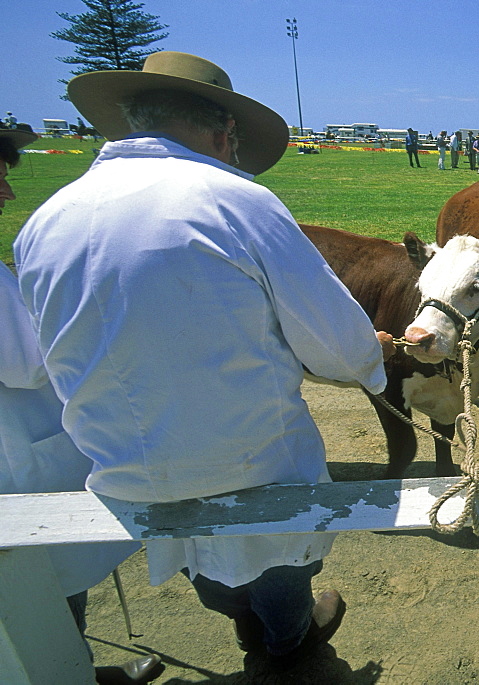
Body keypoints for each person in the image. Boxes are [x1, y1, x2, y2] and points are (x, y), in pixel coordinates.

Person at [14, 51, 394, 670]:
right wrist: (369, 355)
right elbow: (338, 348)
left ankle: (249, 628)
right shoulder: (239, 201)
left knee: (193, 547)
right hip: (255, 464)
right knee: (279, 551)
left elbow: (48, 356)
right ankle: (286, 641)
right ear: (225, 133)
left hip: (123, 471)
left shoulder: (42, 223)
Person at [2, 129, 160, 684]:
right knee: (37, 579)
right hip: (14, 459)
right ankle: (68, 672)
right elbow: (28, 360)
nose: (7, 193)